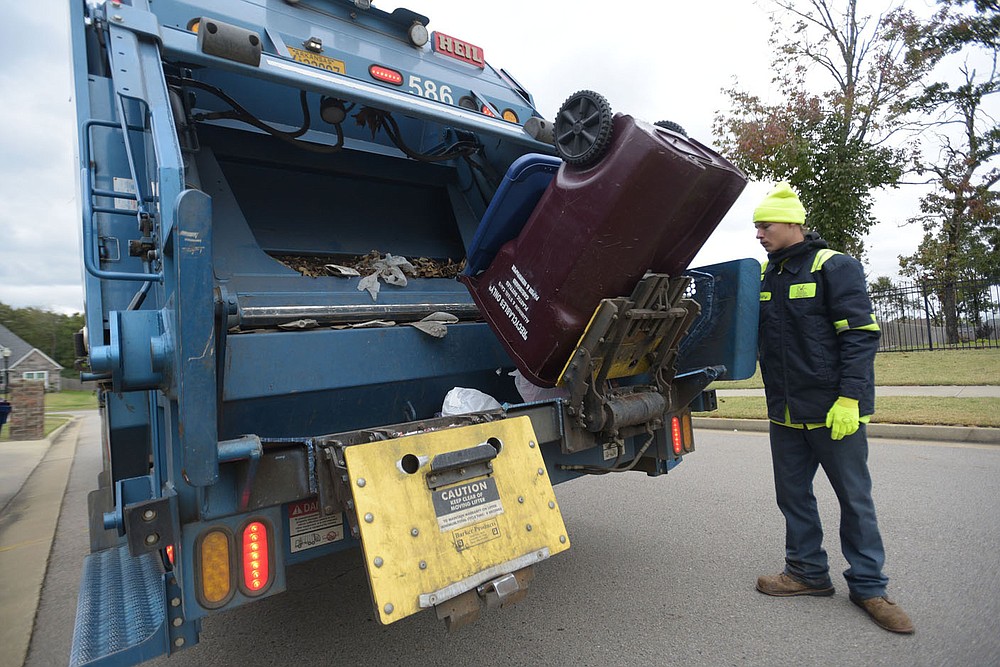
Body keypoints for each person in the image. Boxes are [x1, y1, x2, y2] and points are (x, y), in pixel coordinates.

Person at [752, 182, 914, 634]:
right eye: (756, 227)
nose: (759, 234)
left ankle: (870, 587)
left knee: (854, 499)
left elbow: (860, 335)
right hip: (785, 412)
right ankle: (806, 572)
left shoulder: (834, 266)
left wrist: (851, 398)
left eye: (765, 225)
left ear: (792, 223)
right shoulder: (768, 276)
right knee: (793, 496)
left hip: (833, 411)